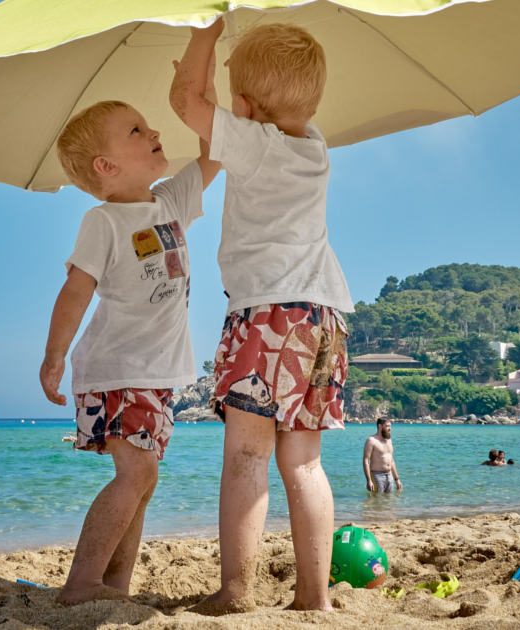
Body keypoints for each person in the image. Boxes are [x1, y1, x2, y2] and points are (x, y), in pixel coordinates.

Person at [171, 19, 350, 615]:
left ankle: (236, 590)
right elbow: (213, 118)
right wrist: (234, 101)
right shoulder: (314, 146)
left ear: (245, 109)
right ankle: (314, 598)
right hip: (324, 316)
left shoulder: (254, 142)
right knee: (305, 461)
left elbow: (186, 103)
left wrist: (204, 35)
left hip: (268, 314)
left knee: (247, 454)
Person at [39, 89, 219, 606]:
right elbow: (75, 290)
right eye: (137, 131)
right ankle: (81, 584)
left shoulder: (171, 201)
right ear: (107, 165)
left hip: (157, 375)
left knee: (145, 480)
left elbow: (214, 153)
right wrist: (54, 357)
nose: (155, 132)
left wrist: (202, 94)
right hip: (117, 369)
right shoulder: (104, 221)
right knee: (135, 472)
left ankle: (112, 587)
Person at [362, 419, 402, 493]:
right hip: (377, 475)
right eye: (387, 426)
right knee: (376, 500)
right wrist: (369, 480)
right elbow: (366, 461)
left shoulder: (389, 440)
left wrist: (397, 479)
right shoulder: (371, 440)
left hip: (389, 475)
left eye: (390, 426)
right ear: (380, 426)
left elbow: (391, 461)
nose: (390, 428)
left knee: (388, 501)